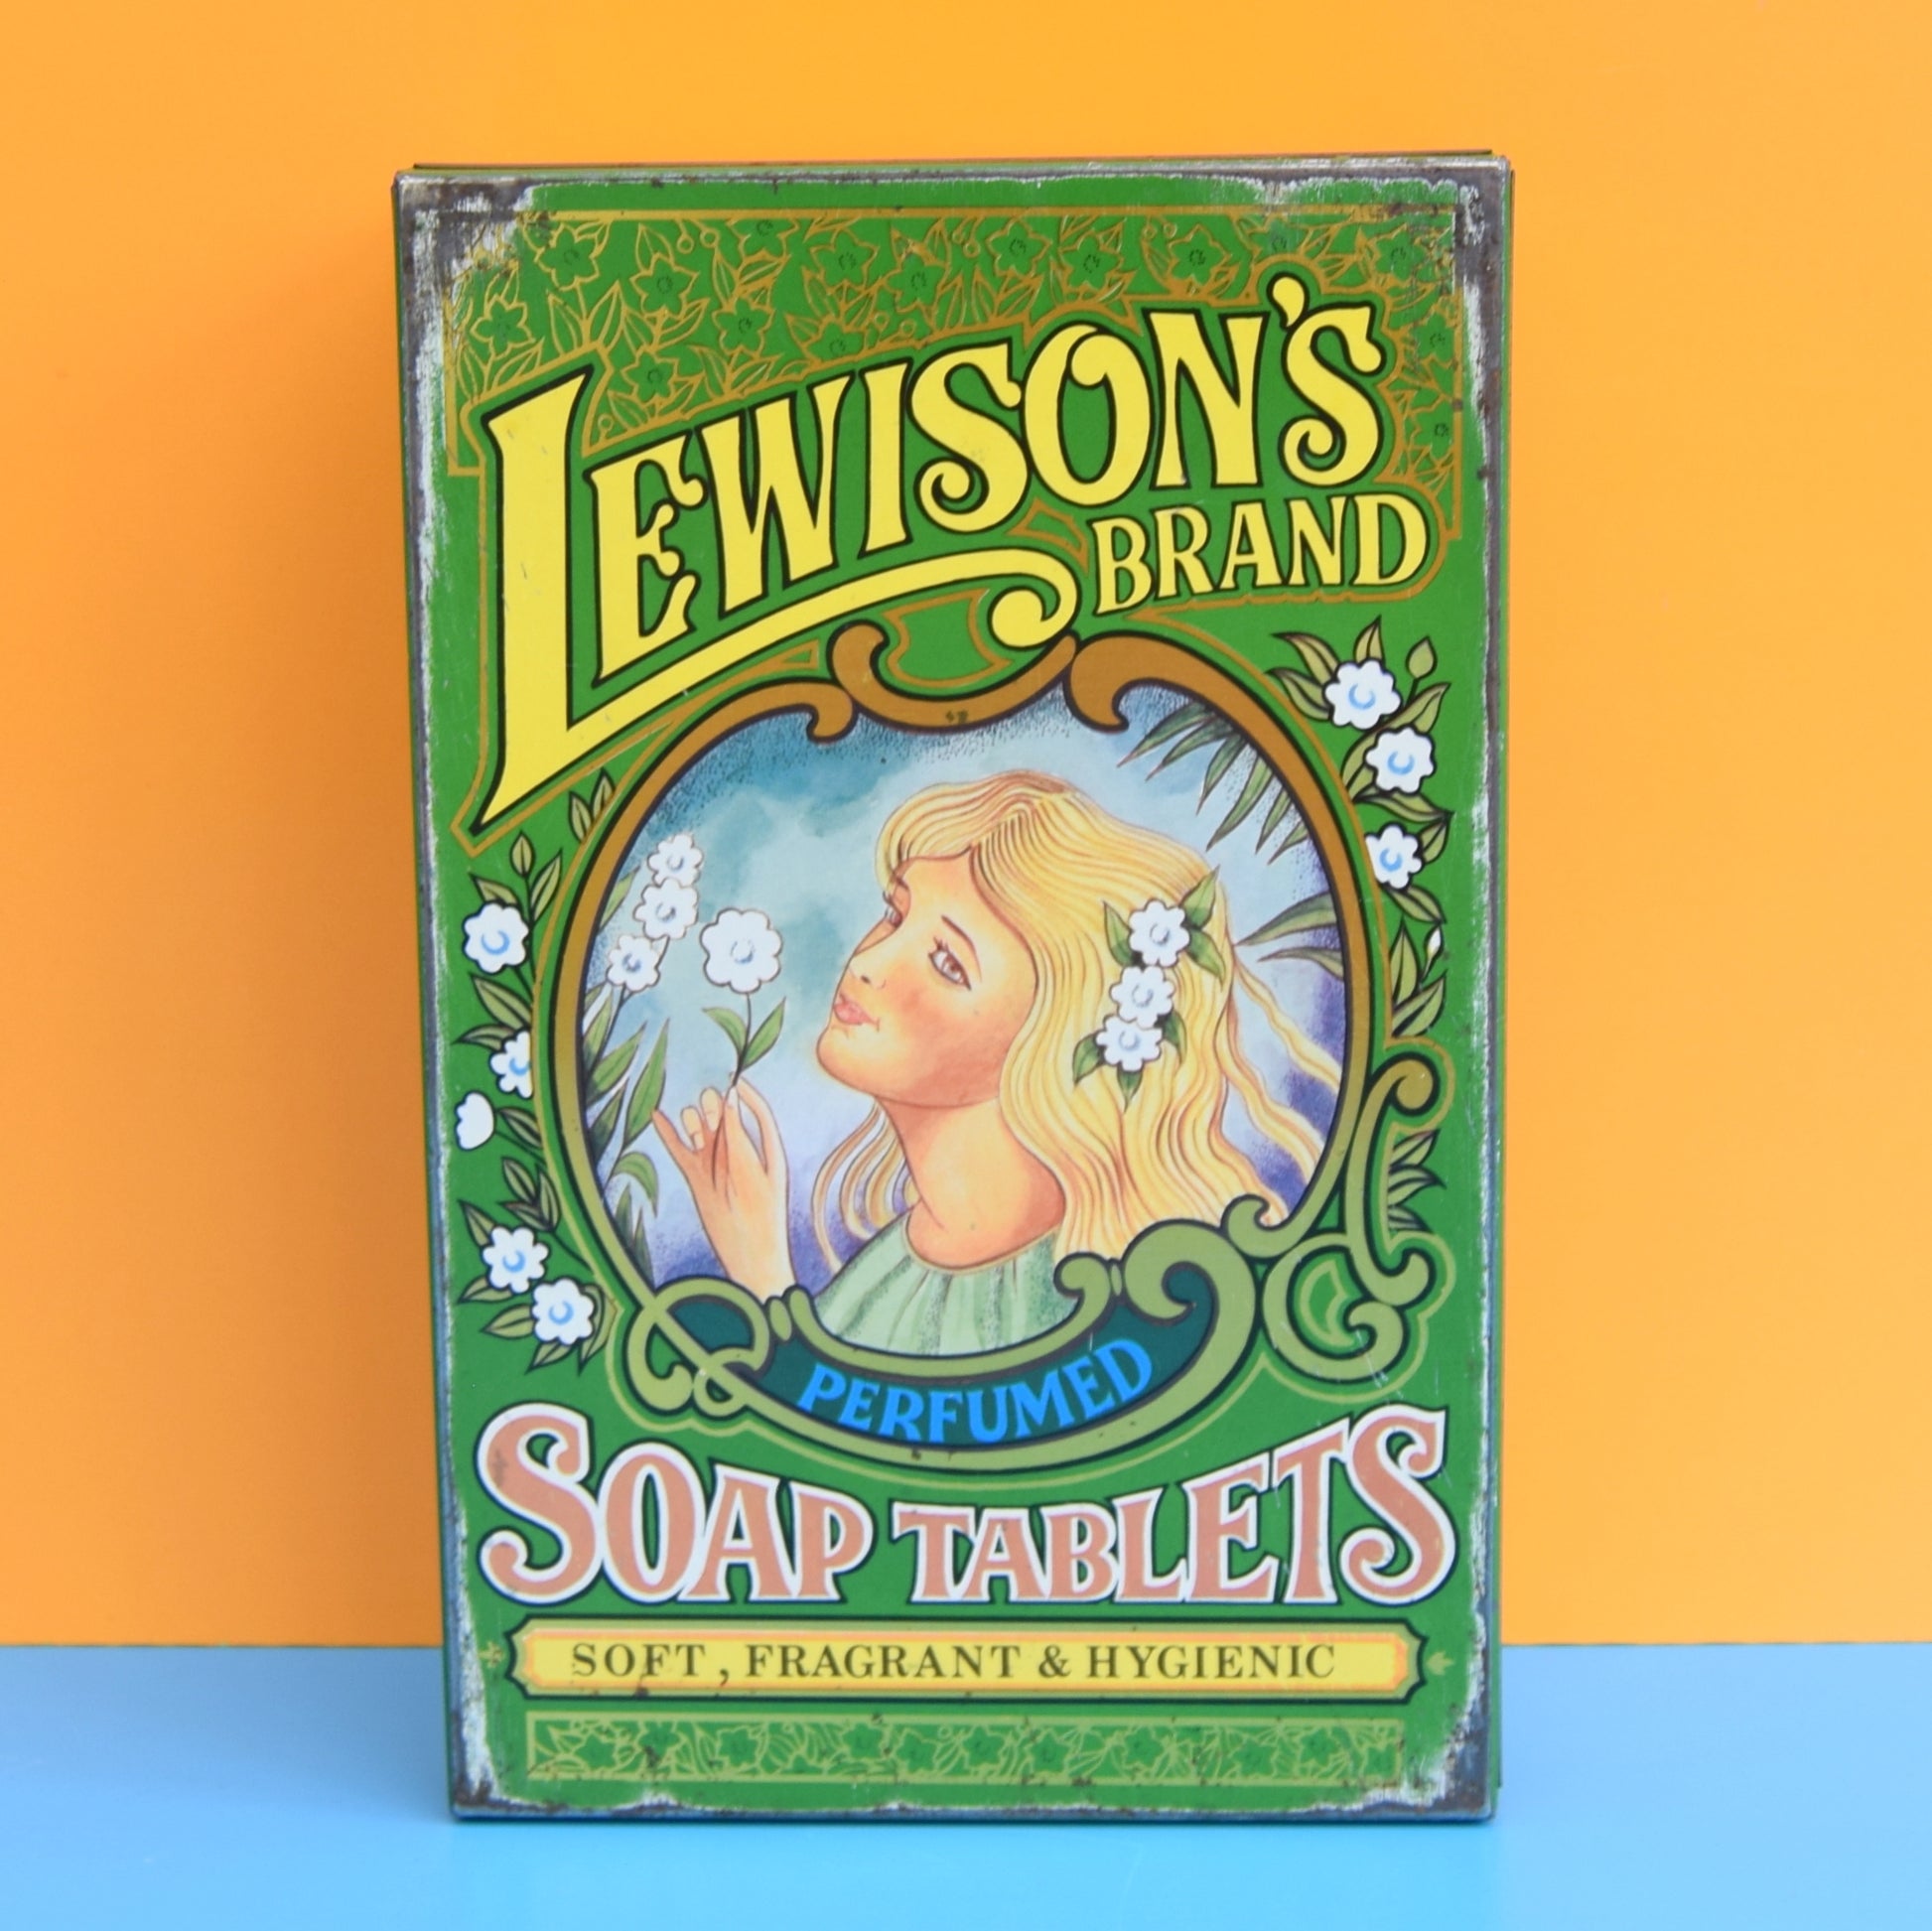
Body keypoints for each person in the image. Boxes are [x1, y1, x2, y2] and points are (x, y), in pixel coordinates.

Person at [655, 770, 1335, 1357]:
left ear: (1045, 1041)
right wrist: (763, 1270)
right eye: (893, 915)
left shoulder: (1063, 1296)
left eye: (948, 963)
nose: (866, 963)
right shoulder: (906, 1257)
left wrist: (768, 1284)